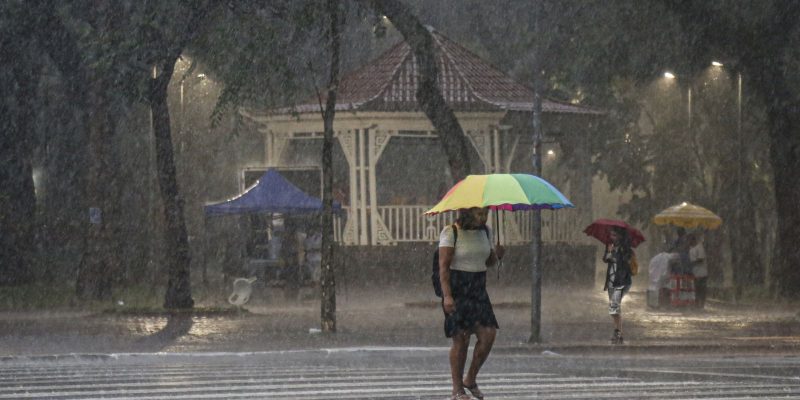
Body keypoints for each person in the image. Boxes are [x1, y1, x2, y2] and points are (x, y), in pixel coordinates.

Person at [438, 207, 504, 400]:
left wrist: (497, 254)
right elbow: (443, 267)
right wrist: (447, 296)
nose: (483, 218)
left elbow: (488, 261)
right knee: (461, 339)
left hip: (478, 289)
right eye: (479, 214)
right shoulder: (451, 232)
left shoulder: (486, 232)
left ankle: (470, 379)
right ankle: (457, 389)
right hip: (458, 288)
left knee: (488, 334)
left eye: (486, 214)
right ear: (467, 212)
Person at [602, 226, 633, 344]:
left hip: (622, 281)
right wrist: (609, 251)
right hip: (611, 280)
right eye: (611, 235)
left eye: (614, 235)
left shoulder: (625, 248)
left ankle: (618, 332)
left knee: (614, 306)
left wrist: (617, 253)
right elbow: (605, 259)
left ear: (620, 236)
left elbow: (625, 262)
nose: (612, 237)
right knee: (613, 307)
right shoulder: (610, 246)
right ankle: (618, 332)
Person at [688, 233, 708, 309]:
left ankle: (701, 305)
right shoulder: (691, 249)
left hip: (702, 273)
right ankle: (697, 305)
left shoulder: (699, 247)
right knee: (696, 290)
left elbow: (701, 259)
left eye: (690, 240)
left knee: (701, 290)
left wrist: (692, 263)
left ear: (693, 240)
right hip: (695, 273)